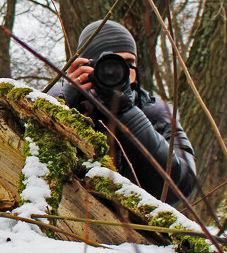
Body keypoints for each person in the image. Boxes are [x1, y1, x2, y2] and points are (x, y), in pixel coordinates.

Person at [59, 20, 198, 205]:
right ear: (85, 67)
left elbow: (182, 187)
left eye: (128, 64)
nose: (119, 72)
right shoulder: (58, 105)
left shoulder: (158, 117)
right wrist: (62, 107)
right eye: (108, 64)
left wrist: (127, 113)